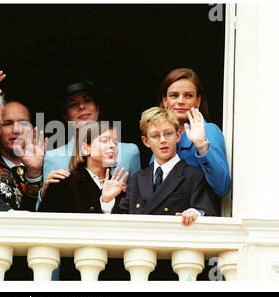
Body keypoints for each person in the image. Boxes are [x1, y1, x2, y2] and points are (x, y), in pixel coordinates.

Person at [37, 78, 141, 208]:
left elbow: (138, 201)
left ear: (97, 108)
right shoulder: (53, 156)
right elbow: (45, 212)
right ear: (66, 116)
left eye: (87, 101)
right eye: (73, 104)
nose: (82, 107)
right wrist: (45, 191)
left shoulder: (129, 152)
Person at [106, 107, 216, 225]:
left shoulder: (193, 175)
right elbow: (119, 223)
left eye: (168, 133)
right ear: (145, 141)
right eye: (155, 136)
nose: (163, 140)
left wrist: (195, 213)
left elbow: (207, 211)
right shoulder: (136, 180)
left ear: (178, 135)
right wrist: (107, 201)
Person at [158, 68, 230, 204]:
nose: (180, 101)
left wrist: (201, 146)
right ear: (165, 101)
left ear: (198, 101)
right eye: (174, 95)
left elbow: (222, 187)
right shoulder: (159, 137)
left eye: (188, 96)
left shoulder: (208, 130)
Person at [38, 121, 127, 214]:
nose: (113, 146)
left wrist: (107, 203)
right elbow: (44, 224)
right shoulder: (63, 184)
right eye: (104, 141)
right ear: (85, 148)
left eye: (116, 142)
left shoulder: (121, 189)